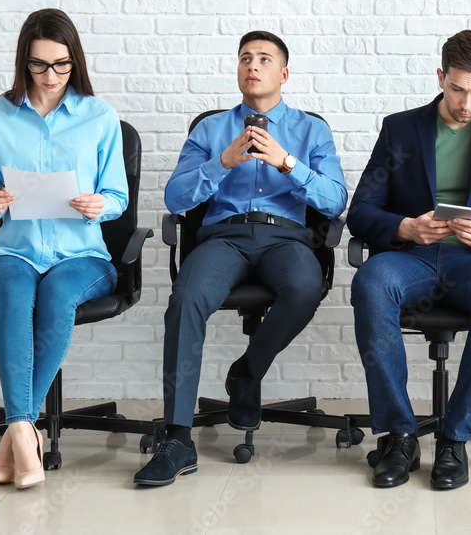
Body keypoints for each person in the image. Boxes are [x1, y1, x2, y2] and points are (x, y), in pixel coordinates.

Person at [133, 31, 347, 486]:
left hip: (285, 238)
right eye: (245, 58)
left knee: (306, 286)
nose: (253, 65)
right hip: (223, 239)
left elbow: (334, 201)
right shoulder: (210, 130)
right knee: (187, 297)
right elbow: (175, 198)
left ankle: (247, 371)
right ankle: (177, 438)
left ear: (283, 73)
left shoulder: (312, 130)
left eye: (265, 59)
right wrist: (221, 163)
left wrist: (288, 163)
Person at [348, 30, 471, 490]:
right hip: (413, 256)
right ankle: (399, 434)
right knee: (371, 283)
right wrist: (406, 227)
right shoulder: (401, 128)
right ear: (441, 77)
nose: (467, 102)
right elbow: (361, 210)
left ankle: (455, 437)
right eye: (458, 88)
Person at [0, 8, 128, 489]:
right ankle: (26, 431)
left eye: (62, 65)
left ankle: (16, 433)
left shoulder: (99, 117)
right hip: (11, 252)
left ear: (75, 61)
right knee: (17, 294)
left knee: (58, 295)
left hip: (82, 257)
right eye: (40, 65)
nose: (52, 76)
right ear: (24, 62)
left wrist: (98, 204)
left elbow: (118, 199)